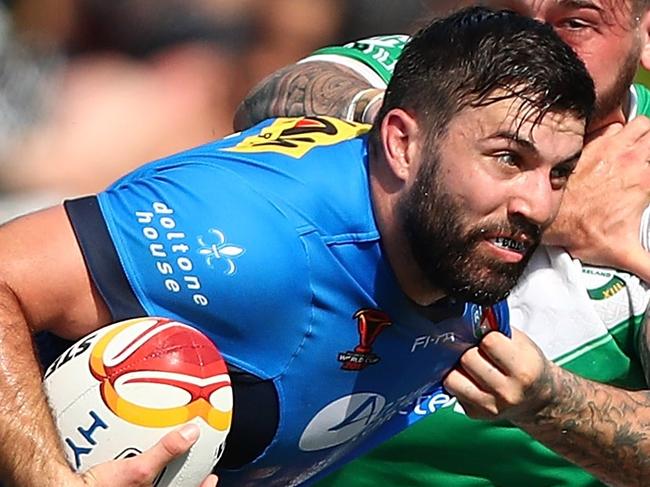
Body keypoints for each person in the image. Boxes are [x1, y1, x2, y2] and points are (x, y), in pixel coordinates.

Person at [0, 7, 593, 487]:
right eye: (507, 159)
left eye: (558, 174)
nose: (537, 205)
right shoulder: (250, 241)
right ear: (403, 145)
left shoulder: (469, 264)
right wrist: (45, 476)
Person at [234, 0, 650, 486]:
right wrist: (447, 138)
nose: (534, 41)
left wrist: (549, 400)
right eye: (517, 11)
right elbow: (266, 103)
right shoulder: (457, 68)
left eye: (574, 24)